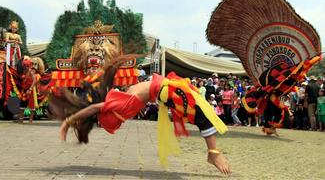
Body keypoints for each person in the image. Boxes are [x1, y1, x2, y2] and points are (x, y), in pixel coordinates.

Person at [50, 56, 231, 175]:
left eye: (106, 124)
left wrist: (69, 121)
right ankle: (213, 153)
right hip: (165, 89)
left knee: (201, 113)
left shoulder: (118, 105)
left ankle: (213, 154)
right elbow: (94, 110)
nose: (113, 126)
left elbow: (93, 108)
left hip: (166, 88)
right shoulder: (123, 103)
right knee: (200, 114)